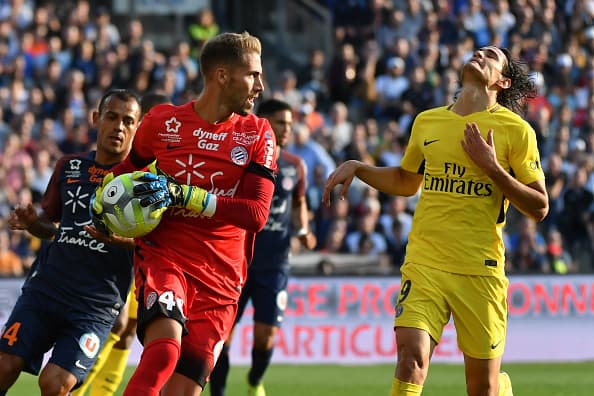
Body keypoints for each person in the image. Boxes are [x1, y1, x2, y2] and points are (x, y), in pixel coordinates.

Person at [322, 46, 549, 396]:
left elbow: (539, 207)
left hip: (480, 267)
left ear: (503, 81)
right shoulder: (427, 121)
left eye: (490, 55)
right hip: (425, 261)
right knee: (411, 360)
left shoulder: (517, 131)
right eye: (477, 50)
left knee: (483, 389)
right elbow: (405, 180)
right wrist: (360, 168)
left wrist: (491, 167)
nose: (479, 53)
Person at [92, 32, 277, 396]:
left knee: (182, 391)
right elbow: (125, 170)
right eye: (253, 75)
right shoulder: (163, 122)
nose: (260, 85)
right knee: (163, 350)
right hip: (166, 257)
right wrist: (103, 203)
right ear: (222, 76)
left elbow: (256, 213)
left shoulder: (258, 133)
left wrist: (187, 194)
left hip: (222, 279)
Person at [0, 89, 141, 396]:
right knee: (4, 365)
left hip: (95, 305)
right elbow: (52, 228)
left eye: (128, 121)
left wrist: (116, 239)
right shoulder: (69, 166)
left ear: (137, 128)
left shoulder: (141, 183)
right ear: (96, 120)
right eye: (112, 117)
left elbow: (153, 245)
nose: (119, 127)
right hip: (46, 289)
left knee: (55, 384)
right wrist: (31, 222)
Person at [209, 98, 316, 396]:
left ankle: (255, 382)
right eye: (281, 123)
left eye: (290, 124)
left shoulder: (295, 166)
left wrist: (304, 229)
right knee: (223, 336)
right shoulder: (244, 159)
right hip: (238, 260)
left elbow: (299, 203)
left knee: (265, 337)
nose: (287, 129)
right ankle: (218, 392)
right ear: (264, 122)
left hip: (276, 263)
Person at [73, 92, 172, 396]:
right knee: (117, 328)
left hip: (144, 259)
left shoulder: (159, 165)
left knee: (127, 334)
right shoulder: (132, 167)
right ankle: (76, 390)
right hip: (121, 264)